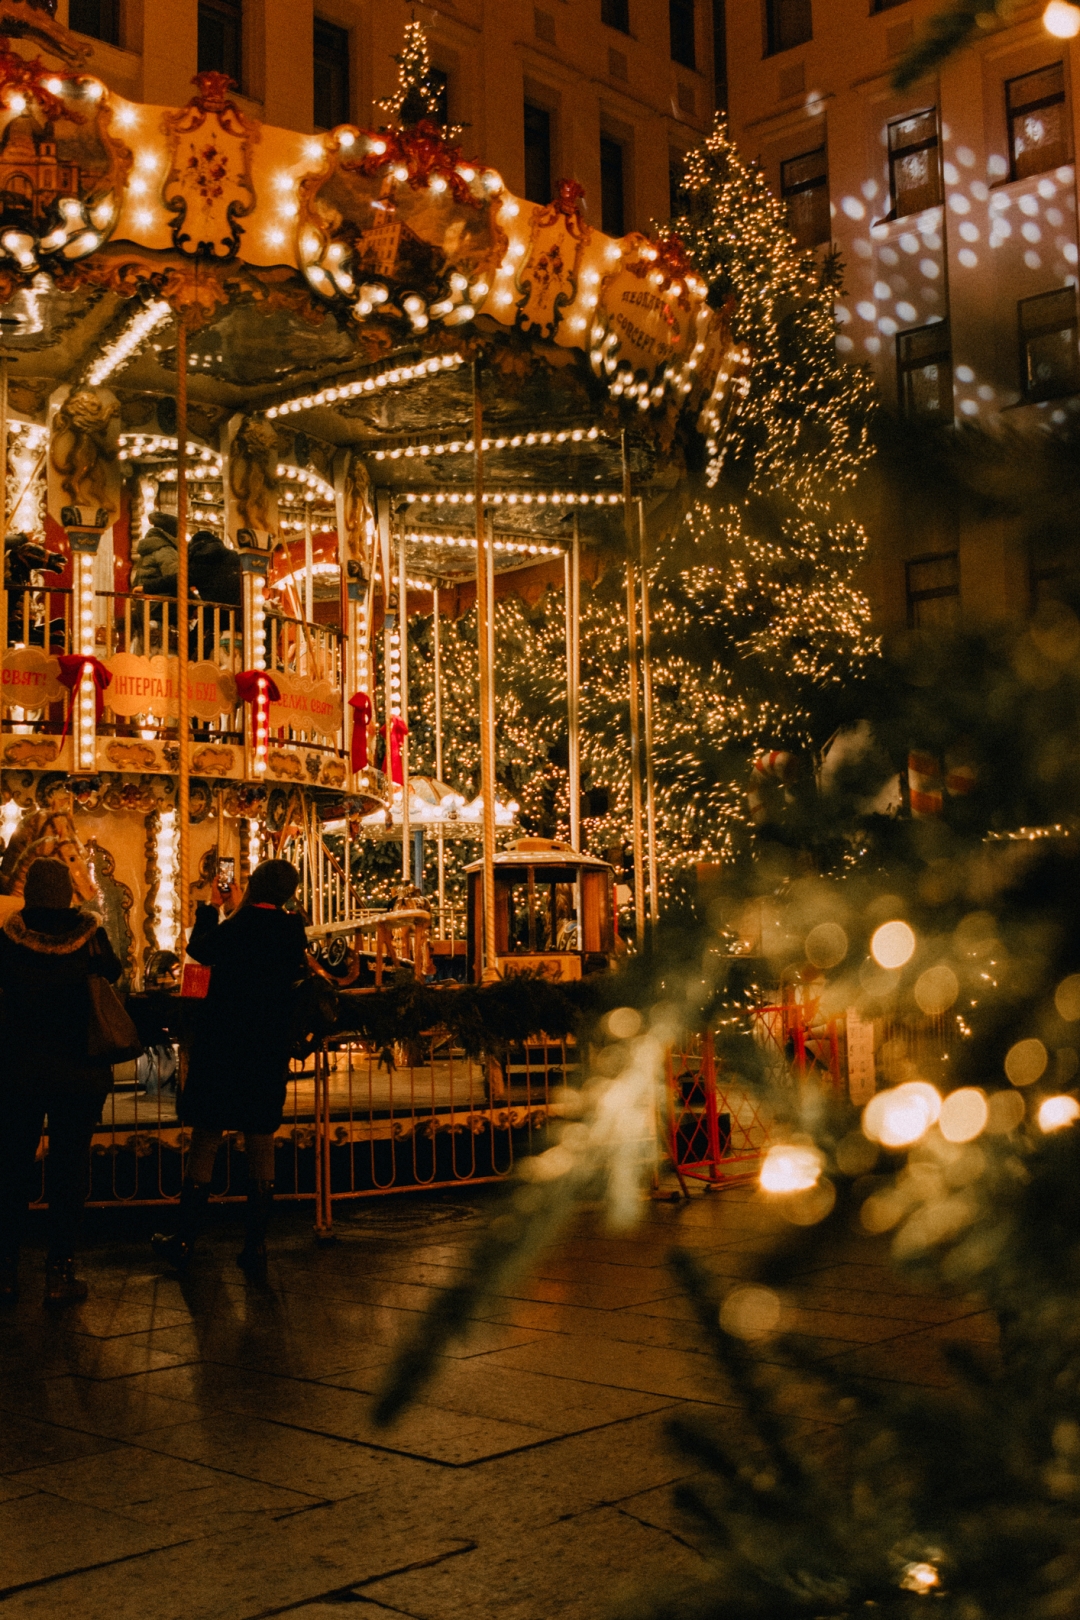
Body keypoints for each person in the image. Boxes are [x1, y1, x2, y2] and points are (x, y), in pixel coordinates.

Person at [152, 859, 308, 1282]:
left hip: (224, 1046)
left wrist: (211, 907)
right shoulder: (291, 929)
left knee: (207, 1136)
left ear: (255, 886)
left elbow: (202, 948)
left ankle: (184, 1242)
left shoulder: (238, 927)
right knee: (260, 1139)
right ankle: (255, 1246)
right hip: (265, 1049)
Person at [0, 857, 122, 1306]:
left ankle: (7, 1270)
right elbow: (113, 972)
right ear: (67, 891)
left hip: (19, 1071)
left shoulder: (9, 937)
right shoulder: (89, 935)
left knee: (11, 1168)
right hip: (79, 1070)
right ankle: (60, 1271)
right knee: (70, 1169)